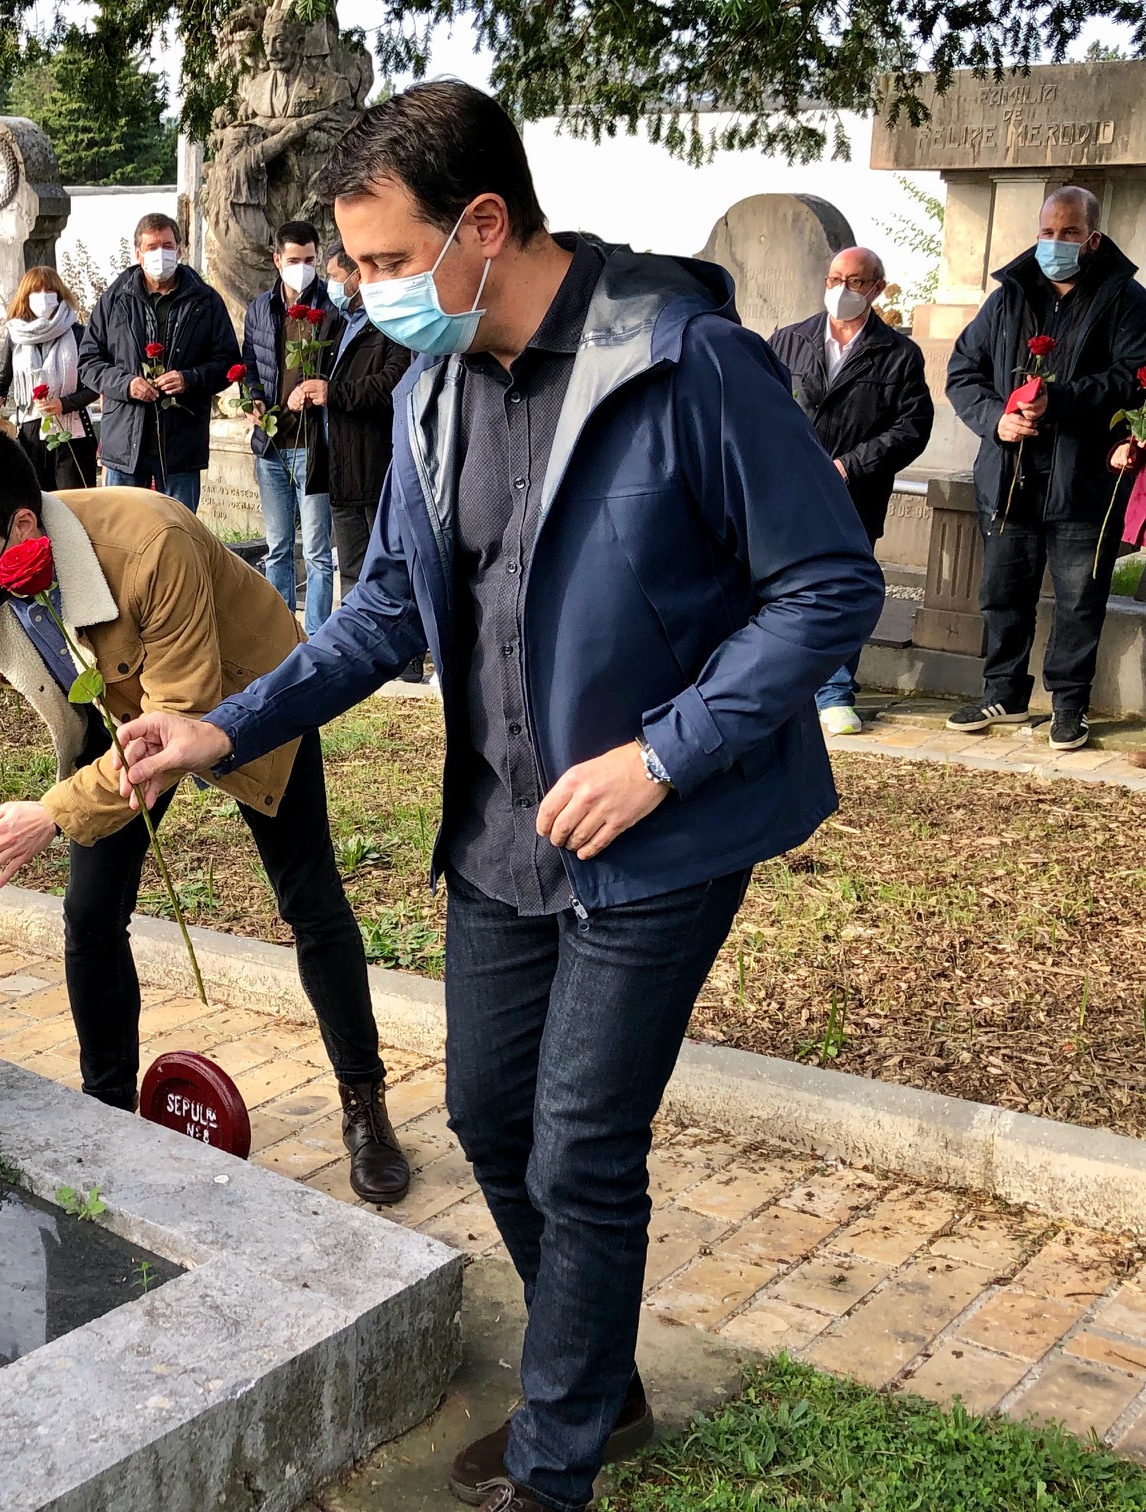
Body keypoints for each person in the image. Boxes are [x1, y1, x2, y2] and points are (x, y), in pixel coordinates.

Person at [114, 82, 883, 1512]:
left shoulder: (684, 358)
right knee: (485, 1116)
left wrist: (663, 751)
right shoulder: (427, 390)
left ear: (485, 227)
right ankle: (599, 1374)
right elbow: (387, 609)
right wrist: (226, 726)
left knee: (584, 1145)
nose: (369, 298)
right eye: (355, 270)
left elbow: (829, 584)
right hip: (501, 830)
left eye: (391, 265)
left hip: (659, 832)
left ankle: (558, 1462)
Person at [0, 419, 410, 1201]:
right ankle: (106, 1110)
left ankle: (364, 1102)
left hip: (240, 697)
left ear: (24, 526)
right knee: (90, 914)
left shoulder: (150, 541)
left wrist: (53, 813)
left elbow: (180, 716)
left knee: (307, 899)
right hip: (110, 729)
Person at [944, 186, 1146, 750]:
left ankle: (1069, 705)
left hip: (1083, 480)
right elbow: (964, 373)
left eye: (1069, 232)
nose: (1055, 242)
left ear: (1093, 238)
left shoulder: (1125, 299)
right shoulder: (1008, 297)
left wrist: (1063, 399)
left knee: (1080, 598)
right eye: (1047, 231)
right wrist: (996, 421)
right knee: (1002, 593)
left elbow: (1134, 377)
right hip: (1010, 477)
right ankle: (1003, 693)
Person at [768, 246, 933, 735]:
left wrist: (852, 465)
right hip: (788, 490)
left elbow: (912, 426)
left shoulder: (898, 354)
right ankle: (781, 688)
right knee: (779, 586)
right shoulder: (787, 341)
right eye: (836, 278)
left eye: (856, 282)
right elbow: (758, 407)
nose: (843, 290)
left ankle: (835, 692)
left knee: (842, 587)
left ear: (877, 288)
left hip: (854, 494)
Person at [303, 244, 415, 680]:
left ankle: (403, 662)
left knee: (390, 570)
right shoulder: (338, 324)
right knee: (351, 570)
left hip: (376, 466)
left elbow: (393, 383)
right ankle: (358, 661)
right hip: (339, 467)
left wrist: (336, 394)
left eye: (335, 276)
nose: (332, 287)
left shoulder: (391, 326)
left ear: (355, 276)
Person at [78, 214, 240, 514]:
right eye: (152, 246)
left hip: (180, 443)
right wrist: (125, 384)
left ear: (179, 249)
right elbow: (88, 362)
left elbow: (228, 361)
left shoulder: (205, 300)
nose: (160, 253)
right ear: (138, 253)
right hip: (126, 444)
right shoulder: (115, 300)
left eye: (167, 245)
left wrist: (190, 379)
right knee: (125, 533)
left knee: (179, 535)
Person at [242, 220, 339, 632]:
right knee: (279, 546)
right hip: (272, 442)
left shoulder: (329, 308)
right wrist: (252, 399)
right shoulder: (261, 309)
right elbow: (250, 363)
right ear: (277, 260)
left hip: (314, 442)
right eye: (294, 260)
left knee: (317, 550)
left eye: (310, 260)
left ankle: (316, 633)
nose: (302, 267)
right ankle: (281, 630)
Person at [0, 266, 98, 490]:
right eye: (36, 291)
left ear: (60, 295)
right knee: (36, 506)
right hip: (30, 434)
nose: (43, 296)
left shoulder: (79, 334)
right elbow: (2, 381)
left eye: (49, 290)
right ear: (25, 297)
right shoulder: (15, 335)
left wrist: (63, 404)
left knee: (74, 506)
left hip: (72, 431)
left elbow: (93, 386)